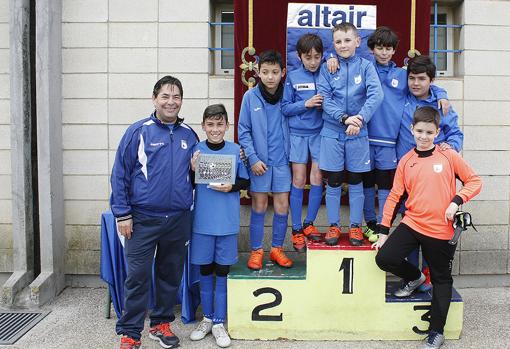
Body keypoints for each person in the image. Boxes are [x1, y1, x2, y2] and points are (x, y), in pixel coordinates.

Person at [326, 27, 450, 244]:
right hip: (361, 136)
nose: (384, 52)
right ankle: (368, 224)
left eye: (388, 48)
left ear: (394, 51)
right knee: (363, 182)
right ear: (371, 49)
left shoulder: (402, 75)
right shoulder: (362, 68)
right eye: (379, 48)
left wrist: (442, 94)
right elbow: (342, 65)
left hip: (387, 140)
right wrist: (330, 57)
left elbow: (424, 85)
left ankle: (383, 225)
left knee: (384, 184)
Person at [373, 106, 482, 349]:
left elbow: (475, 181)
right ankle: (414, 277)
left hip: (441, 229)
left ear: (437, 132)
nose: (423, 136)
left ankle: (436, 332)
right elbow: (394, 196)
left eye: (429, 132)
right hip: (412, 223)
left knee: (442, 280)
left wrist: (456, 201)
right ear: (412, 130)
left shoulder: (448, 155)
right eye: (419, 131)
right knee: (385, 258)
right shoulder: (406, 160)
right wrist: (383, 230)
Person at [110, 75, 198, 349]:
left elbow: (194, 179)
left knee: (170, 275)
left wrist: (198, 170)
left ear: (182, 101)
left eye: (176, 97)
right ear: (154, 99)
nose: (171, 102)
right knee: (137, 277)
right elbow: (120, 175)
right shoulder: (138, 132)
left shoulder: (189, 135)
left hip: (178, 220)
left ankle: (160, 324)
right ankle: (130, 333)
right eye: (166, 97)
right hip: (142, 220)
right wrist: (122, 214)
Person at [398, 55, 463, 291]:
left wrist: (449, 149)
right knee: (411, 226)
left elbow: (455, 134)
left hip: (435, 180)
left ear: (431, 81)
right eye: (412, 78)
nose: (416, 83)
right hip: (409, 176)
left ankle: (430, 274)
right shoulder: (402, 98)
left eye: (422, 79)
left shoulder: (441, 105)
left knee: (434, 231)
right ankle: (413, 277)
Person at [316, 22, 383, 247]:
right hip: (332, 131)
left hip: (358, 131)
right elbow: (324, 98)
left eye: (347, 40)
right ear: (333, 44)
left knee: (356, 180)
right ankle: (334, 225)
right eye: (338, 41)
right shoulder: (327, 67)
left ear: (357, 41)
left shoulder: (366, 66)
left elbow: (376, 95)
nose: (343, 45)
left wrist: (359, 119)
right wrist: (345, 118)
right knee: (333, 181)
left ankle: (355, 226)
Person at [189, 104, 249, 348]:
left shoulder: (236, 151)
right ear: (203, 126)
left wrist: (232, 186)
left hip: (226, 222)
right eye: (210, 125)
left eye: (219, 124)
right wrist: (191, 170)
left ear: (226, 126)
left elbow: (245, 179)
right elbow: (187, 184)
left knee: (222, 270)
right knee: (205, 270)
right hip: (202, 222)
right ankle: (206, 318)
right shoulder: (196, 151)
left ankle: (219, 321)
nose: (215, 129)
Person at [238, 50, 293, 270]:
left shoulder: (288, 96)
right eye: (265, 72)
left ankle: (277, 249)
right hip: (259, 163)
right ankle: (256, 251)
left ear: (283, 73)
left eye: (275, 72)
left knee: (282, 206)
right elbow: (244, 131)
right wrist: (252, 158)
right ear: (258, 73)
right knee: (259, 206)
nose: (270, 77)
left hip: (282, 162)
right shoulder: (250, 97)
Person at [281, 33, 325, 252]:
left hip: (321, 133)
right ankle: (296, 228)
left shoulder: (328, 71)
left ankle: (309, 223)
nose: (313, 61)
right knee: (298, 179)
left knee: (317, 176)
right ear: (300, 57)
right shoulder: (293, 77)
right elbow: (285, 107)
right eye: (308, 57)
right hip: (298, 134)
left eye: (317, 56)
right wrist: (305, 104)